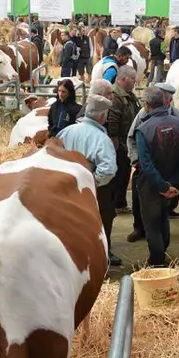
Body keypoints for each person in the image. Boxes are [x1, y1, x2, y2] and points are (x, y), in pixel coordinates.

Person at [58, 94, 121, 266]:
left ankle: (72, 256)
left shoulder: (66, 131)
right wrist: (91, 181)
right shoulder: (101, 139)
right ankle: (102, 255)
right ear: (102, 116)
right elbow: (108, 169)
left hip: (67, 185)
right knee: (101, 221)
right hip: (96, 189)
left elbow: (54, 154)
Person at [125, 82, 179, 241]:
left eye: (164, 98)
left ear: (169, 100)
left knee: (163, 205)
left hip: (171, 170)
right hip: (147, 168)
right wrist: (136, 160)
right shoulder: (142, 115)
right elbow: (131, 138)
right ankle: (139, 228)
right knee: (138, 197)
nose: (160, 101)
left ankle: (160, 231)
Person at [108, 66, 141, 214]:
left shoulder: (128, 95)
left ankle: (120, 202)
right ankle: (116, 203)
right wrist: (116, 144)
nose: (135, 82)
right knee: (119, 173)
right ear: (124, 79)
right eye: (133, 79)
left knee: (124, 172)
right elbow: (113, 120)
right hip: (119, 142)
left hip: (126, 140)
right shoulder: (115, 96)